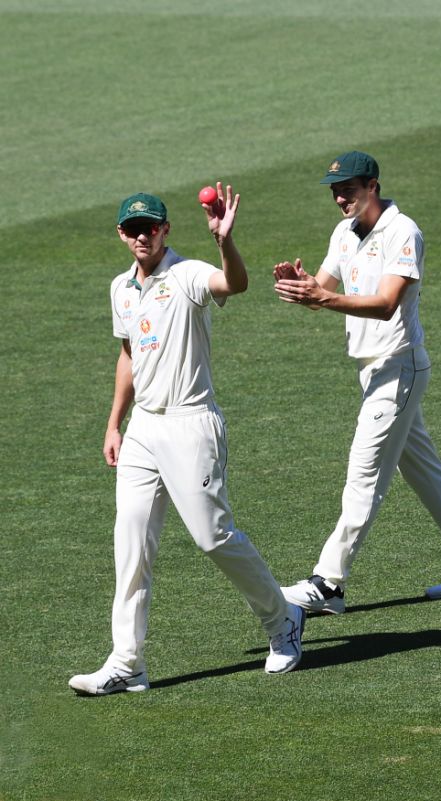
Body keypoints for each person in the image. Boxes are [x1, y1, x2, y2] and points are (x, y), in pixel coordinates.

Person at [70, 188, 304, 696]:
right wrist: (115, 423)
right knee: (129, 544)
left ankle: (283, 617)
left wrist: (226, 241)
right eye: (132, 229)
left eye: (149, 228)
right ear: (120, 234)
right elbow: (129, 355)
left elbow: (235, 284)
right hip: (143, 432)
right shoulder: (121, 289)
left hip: (191, 423)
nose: (141, 236)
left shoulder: (188, 275)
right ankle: (127, 662)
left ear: (165, 230)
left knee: (212, 537)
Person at [272, 151, 441, 612]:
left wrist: (323, 296)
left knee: (364, 474)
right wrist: (303, 288)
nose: (340, 198)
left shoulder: (402, 232)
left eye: (349, 190)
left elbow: (386, 302)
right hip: (370, 369)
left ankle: (329, 583)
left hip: (400, 366)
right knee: (424, 471)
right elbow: (324, 290)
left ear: (373, 185)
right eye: (335, 191)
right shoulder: (343, 232)